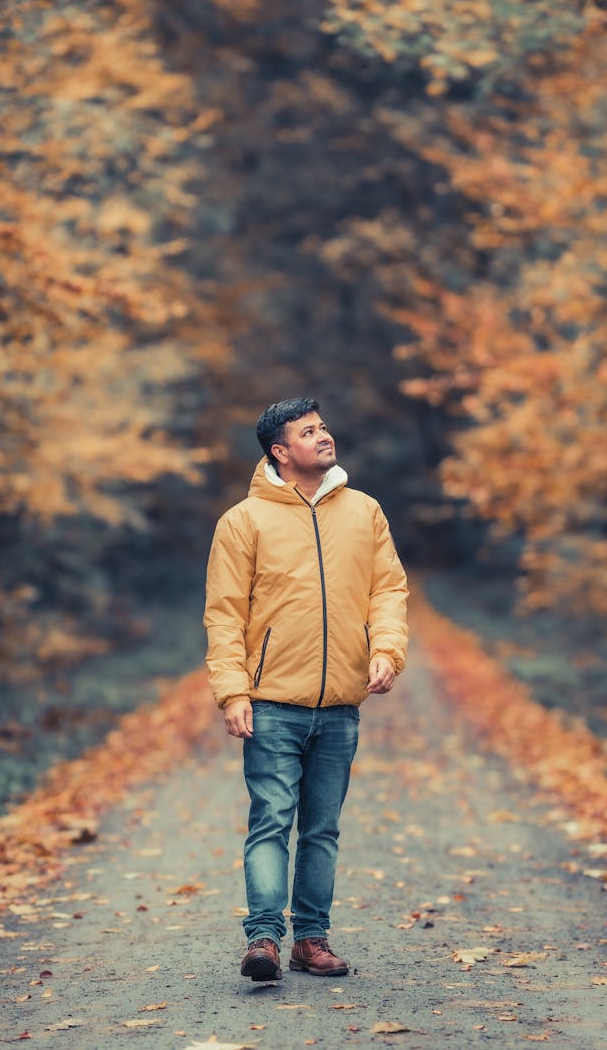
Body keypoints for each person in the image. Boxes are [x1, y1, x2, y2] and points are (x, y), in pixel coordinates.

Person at [203, 398, 408, 981]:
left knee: (322, 828)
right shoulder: (243, 521)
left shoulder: (364, 512)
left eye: (323, 427)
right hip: (270, 703)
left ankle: (310, 940)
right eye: (308, 431)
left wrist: (386, 650)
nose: (323, 436)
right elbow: (223, 613)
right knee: (271, 819)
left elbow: (388, 590)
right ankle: (264, 939)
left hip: (341, 706)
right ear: (279, 451)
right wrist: (232, 690)